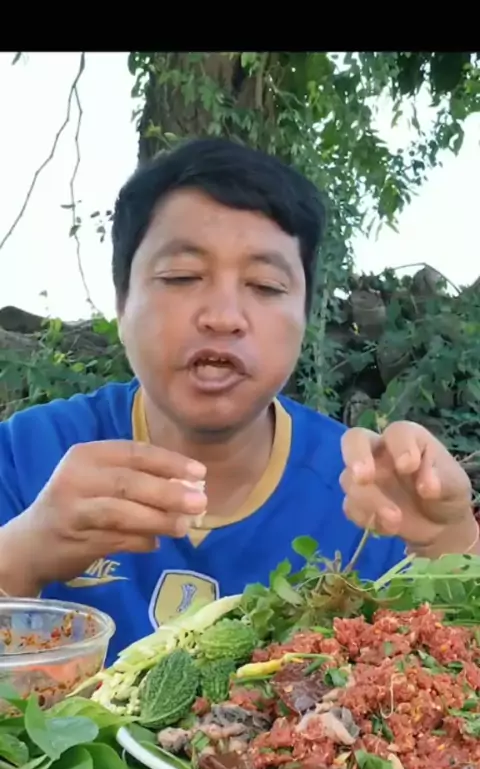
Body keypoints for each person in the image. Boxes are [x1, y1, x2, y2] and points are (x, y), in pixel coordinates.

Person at [0, 138, 476, 665]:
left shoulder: (375, 496)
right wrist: (19, 556)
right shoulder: (25, 458)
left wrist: (454, 544)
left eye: (265, 285)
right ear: (121, 301)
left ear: (305, 316)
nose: (224, 316)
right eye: (182, 277)